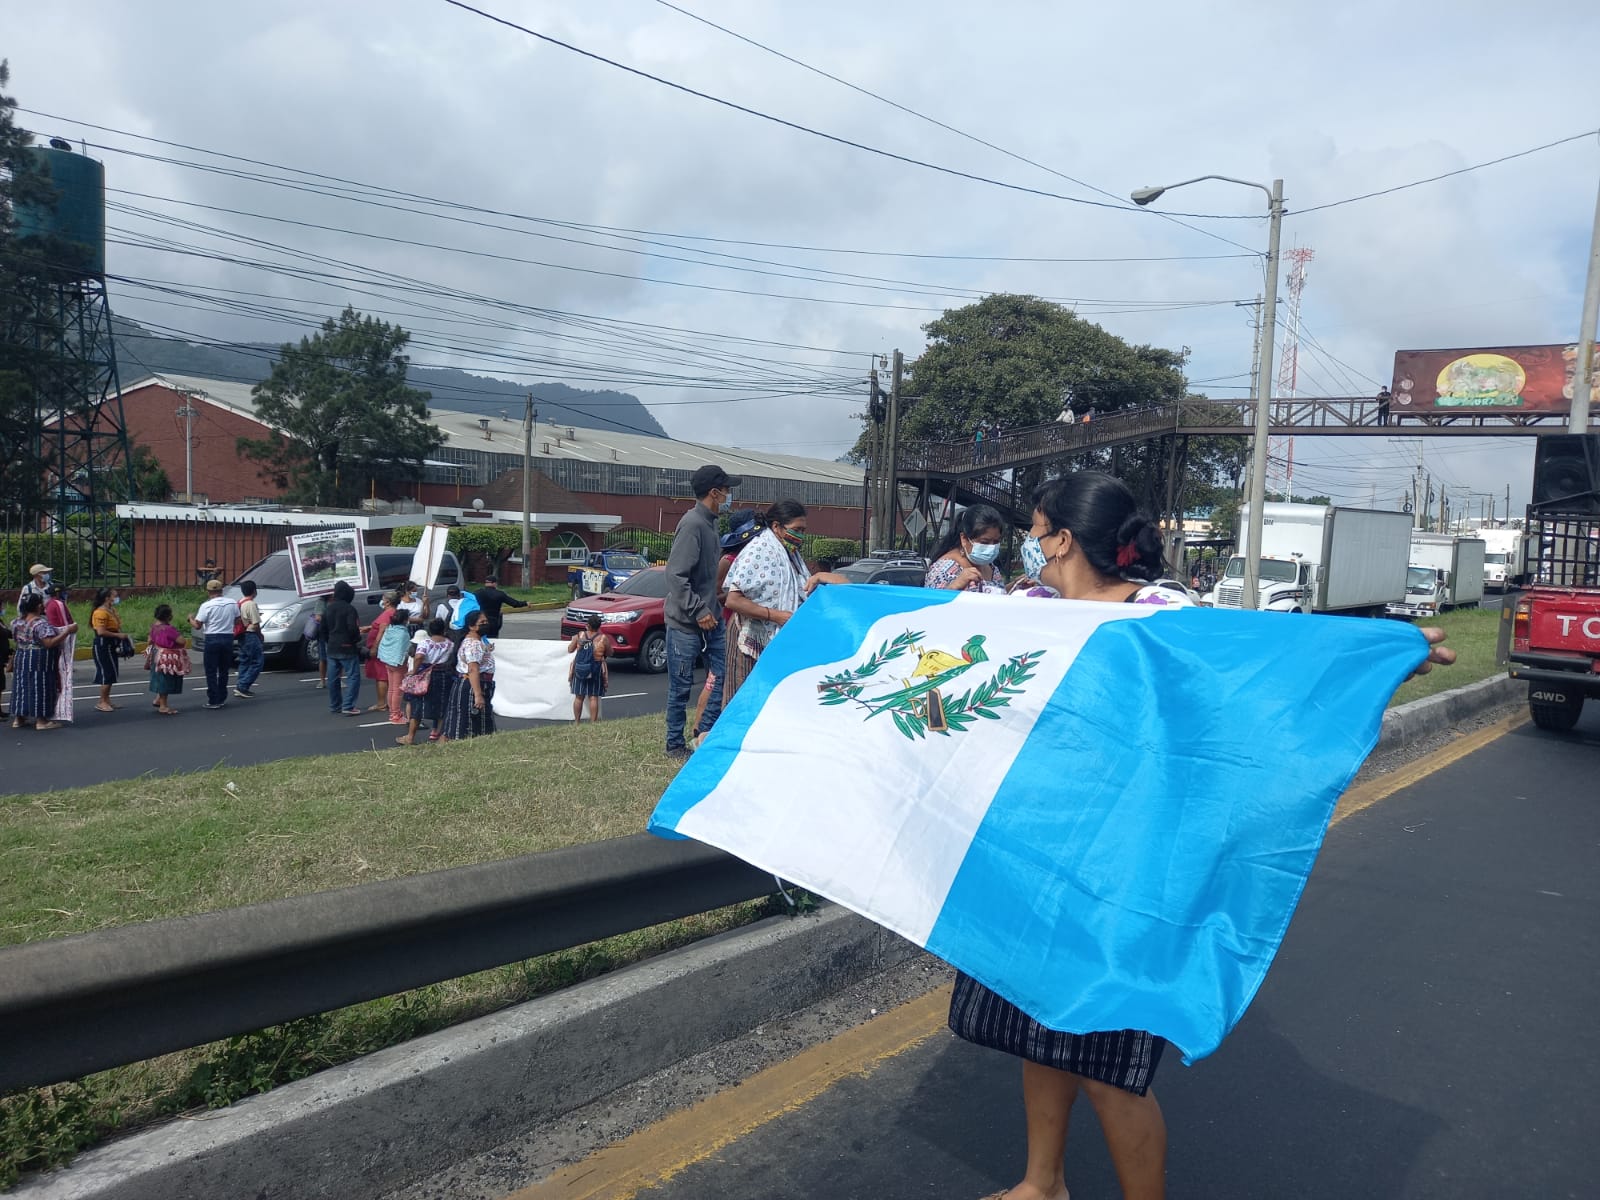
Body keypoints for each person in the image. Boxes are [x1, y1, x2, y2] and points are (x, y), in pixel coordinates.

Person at [962, 470, 1456, 1200]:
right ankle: (1043, 1183)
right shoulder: (1029, 611)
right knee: (1039, 1027)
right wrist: (839, 603)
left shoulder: (1165, 614)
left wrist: (1381, 659)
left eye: (1034, 534)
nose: (1029, 548)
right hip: (1040, 852)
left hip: (1128, 869)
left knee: (1108, 1066)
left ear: (1062, 539)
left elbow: (1267, 667)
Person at [722, 500, 848, 713]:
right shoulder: (759, 550)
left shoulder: (791, 555)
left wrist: (823, 578)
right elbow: (733, 600)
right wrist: (774, 615)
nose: (801, 536)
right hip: (750, 638)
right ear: (777, 527)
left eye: (803, 530)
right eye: (796, 530)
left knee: (767, 703)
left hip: (775, 639)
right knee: (742, 703)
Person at [663, 465, 740, 759]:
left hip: (712, 619)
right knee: (680, 687)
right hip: (686, 623)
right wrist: (697, 610)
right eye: (727, 491)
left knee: (724, 674)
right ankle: (674, 745)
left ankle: (705, 733)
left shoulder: (712, 523)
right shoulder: (693, 524)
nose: (729, 496)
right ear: (714, 493)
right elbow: (675, 576)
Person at [692, 511, 760, 736]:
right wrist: (737, 594)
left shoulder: (754, 559)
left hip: (747, 625)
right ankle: (700, 727)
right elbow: (715, 594)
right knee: (716, 680)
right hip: (728, 622)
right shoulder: (728, 561)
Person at [10, 592, 74, 730]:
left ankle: (19, 718)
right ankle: (41, 721)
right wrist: (67, 632)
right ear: (39, 606)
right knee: (40, 686)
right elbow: (49, 643)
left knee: (21, 686)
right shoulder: (40, 624)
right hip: (39, 659)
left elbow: (16, 640)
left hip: (21, 656)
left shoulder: (16, 622)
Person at [396, 618, 455, 745]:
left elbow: (419, 656)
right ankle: (437, 734)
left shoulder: (425, 643)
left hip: (425, 674)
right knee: (442, 705)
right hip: (444, 674)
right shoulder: (450, 644)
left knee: (418, 706)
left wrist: (414, 670)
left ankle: (410, 737)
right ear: (444, 630)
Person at [926, 503, 1008, 593]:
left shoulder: (990, 568)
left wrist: (1015, 586)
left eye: (996, 542)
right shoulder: (944, 569)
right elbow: (930, 603)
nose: (991, 547)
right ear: (964, 539)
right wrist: (954, 587)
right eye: (984, 542)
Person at [441, 608, 495, 741]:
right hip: (473, 686)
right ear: (471, 626)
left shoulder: (474, 641)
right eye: (482, 622)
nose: (485, 624)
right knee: (471, 723)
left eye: (486, 621)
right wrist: (478, 695)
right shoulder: (473, 644)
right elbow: (473, 669)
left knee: (458, 719)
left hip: (470, 684)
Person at [189, 579, 240, 710]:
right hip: (228, 637)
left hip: (212, 638)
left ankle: (213, 699)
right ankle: (222, 697)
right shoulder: (232, 602)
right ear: (221, 590)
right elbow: (237, 619)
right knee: (224, 670)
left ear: (208, 591)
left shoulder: (206, 605)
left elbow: (198, 625)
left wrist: (190, 619)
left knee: (211, 670)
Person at [322, 579, 363, 715]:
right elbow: (353, 628)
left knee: (333, 678)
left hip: (332, 646)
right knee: (353, 676)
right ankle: (348, 705)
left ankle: (335, 705)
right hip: (347, 646)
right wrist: (356, 639)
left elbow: (322, 629)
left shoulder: (329, 608)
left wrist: (328, 640)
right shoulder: (349, 609)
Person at [146, 603, 189, 716]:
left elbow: (149, 640)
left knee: (159, 678)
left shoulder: (154, 626)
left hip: (156, 653)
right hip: (167, 657)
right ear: (167, 616)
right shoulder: (169, 629)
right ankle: (163, 706)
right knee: (165, 679)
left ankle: (158, 699)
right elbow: (181, 641)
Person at [90, 586, 128, 712]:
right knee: (106, 673)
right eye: (114, 596)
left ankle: (107, 700)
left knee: (112, 672)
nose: (116, 598)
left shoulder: (111, 610)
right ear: (107, 598)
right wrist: (118, 635)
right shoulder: (100, 612)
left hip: (112, 644)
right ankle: (102, 701)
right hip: (103, 644)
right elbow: (101, 631)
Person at [375, 600, 413, 725]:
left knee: (392, 689)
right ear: (404, 620)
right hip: (398, 663)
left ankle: (393, 712)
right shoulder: (403, 634)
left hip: (387, 660)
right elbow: (405, 650)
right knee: (397, 690)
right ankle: (395, 715)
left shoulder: (390, 629)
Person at [568, 613, 610, 723]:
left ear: (588, 625)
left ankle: (577, 722)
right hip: (595, 669)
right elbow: (610, 652)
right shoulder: (603, 638)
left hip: (580, 668)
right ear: (599, 626)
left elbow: (570, 649)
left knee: (579, 697)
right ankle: (593, 723)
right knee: (593, 696)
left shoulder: (580, 635)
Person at [362, 593, 399, 714]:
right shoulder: (391, 612)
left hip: (381, 650)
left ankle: (382, 703)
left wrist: (374, 648)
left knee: (381, 676)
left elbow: (382, 630)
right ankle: (384, 702)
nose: (382, 602)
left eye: (383, 600)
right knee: (383, 676)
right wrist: (370, 628)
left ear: (388, 602)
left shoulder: (388, 613)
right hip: (385, 648)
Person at [44, 583, 76, 725]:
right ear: (58, 593)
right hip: (61, 643)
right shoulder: (58, 604)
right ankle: (59, 710)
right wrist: (73, 627)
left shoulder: (49, 604)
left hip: (54, 641)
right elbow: (65, 625)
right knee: (62, 676)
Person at [234, 580, 264, 698]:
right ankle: (243, 685)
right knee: (258, 661)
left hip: (241, 634)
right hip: (250, 634)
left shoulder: (240, 602)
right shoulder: (251, 604)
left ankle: (240, 685)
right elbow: (256, 623)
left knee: (245, 660)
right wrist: (260, 635)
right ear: (254, 591)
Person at [474, 574, 528, 638]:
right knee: (493, 640)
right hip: (494, 621)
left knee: (480, 638)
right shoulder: (500, 594)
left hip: (481, 621)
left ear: (486, 583)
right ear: (495, 583)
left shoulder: (478, 593)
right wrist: (525, 603)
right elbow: (514, 603)